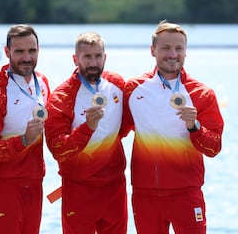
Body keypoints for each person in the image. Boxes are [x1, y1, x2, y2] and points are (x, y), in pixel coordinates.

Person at [121, 20, 224, 234]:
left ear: (186, 52)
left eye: (179, 48)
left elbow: (214, 148)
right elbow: (115, 133)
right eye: (166, 48)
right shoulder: (133, 88)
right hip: (145, 194)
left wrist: (194, 127)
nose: (173, 54)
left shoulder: (202, 94)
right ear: (153, 50)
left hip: (186, 194)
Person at [44, 32, 128, 234]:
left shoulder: (117, 84)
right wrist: (87, 128)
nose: (93, 62)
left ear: (105, 57)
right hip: (79, 190)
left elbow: (125, 127)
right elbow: (58, 149)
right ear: (75, 59)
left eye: (98, 56)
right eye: (87, 57)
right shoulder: (62, 97)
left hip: (114, 187)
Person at [0, 24, 50, 234]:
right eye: (19, 51)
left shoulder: (41, 82)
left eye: (31, 51)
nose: (27, 58)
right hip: (3, 187)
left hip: (34, 184)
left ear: (38, 49)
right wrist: (23, 140)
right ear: (7, 52)